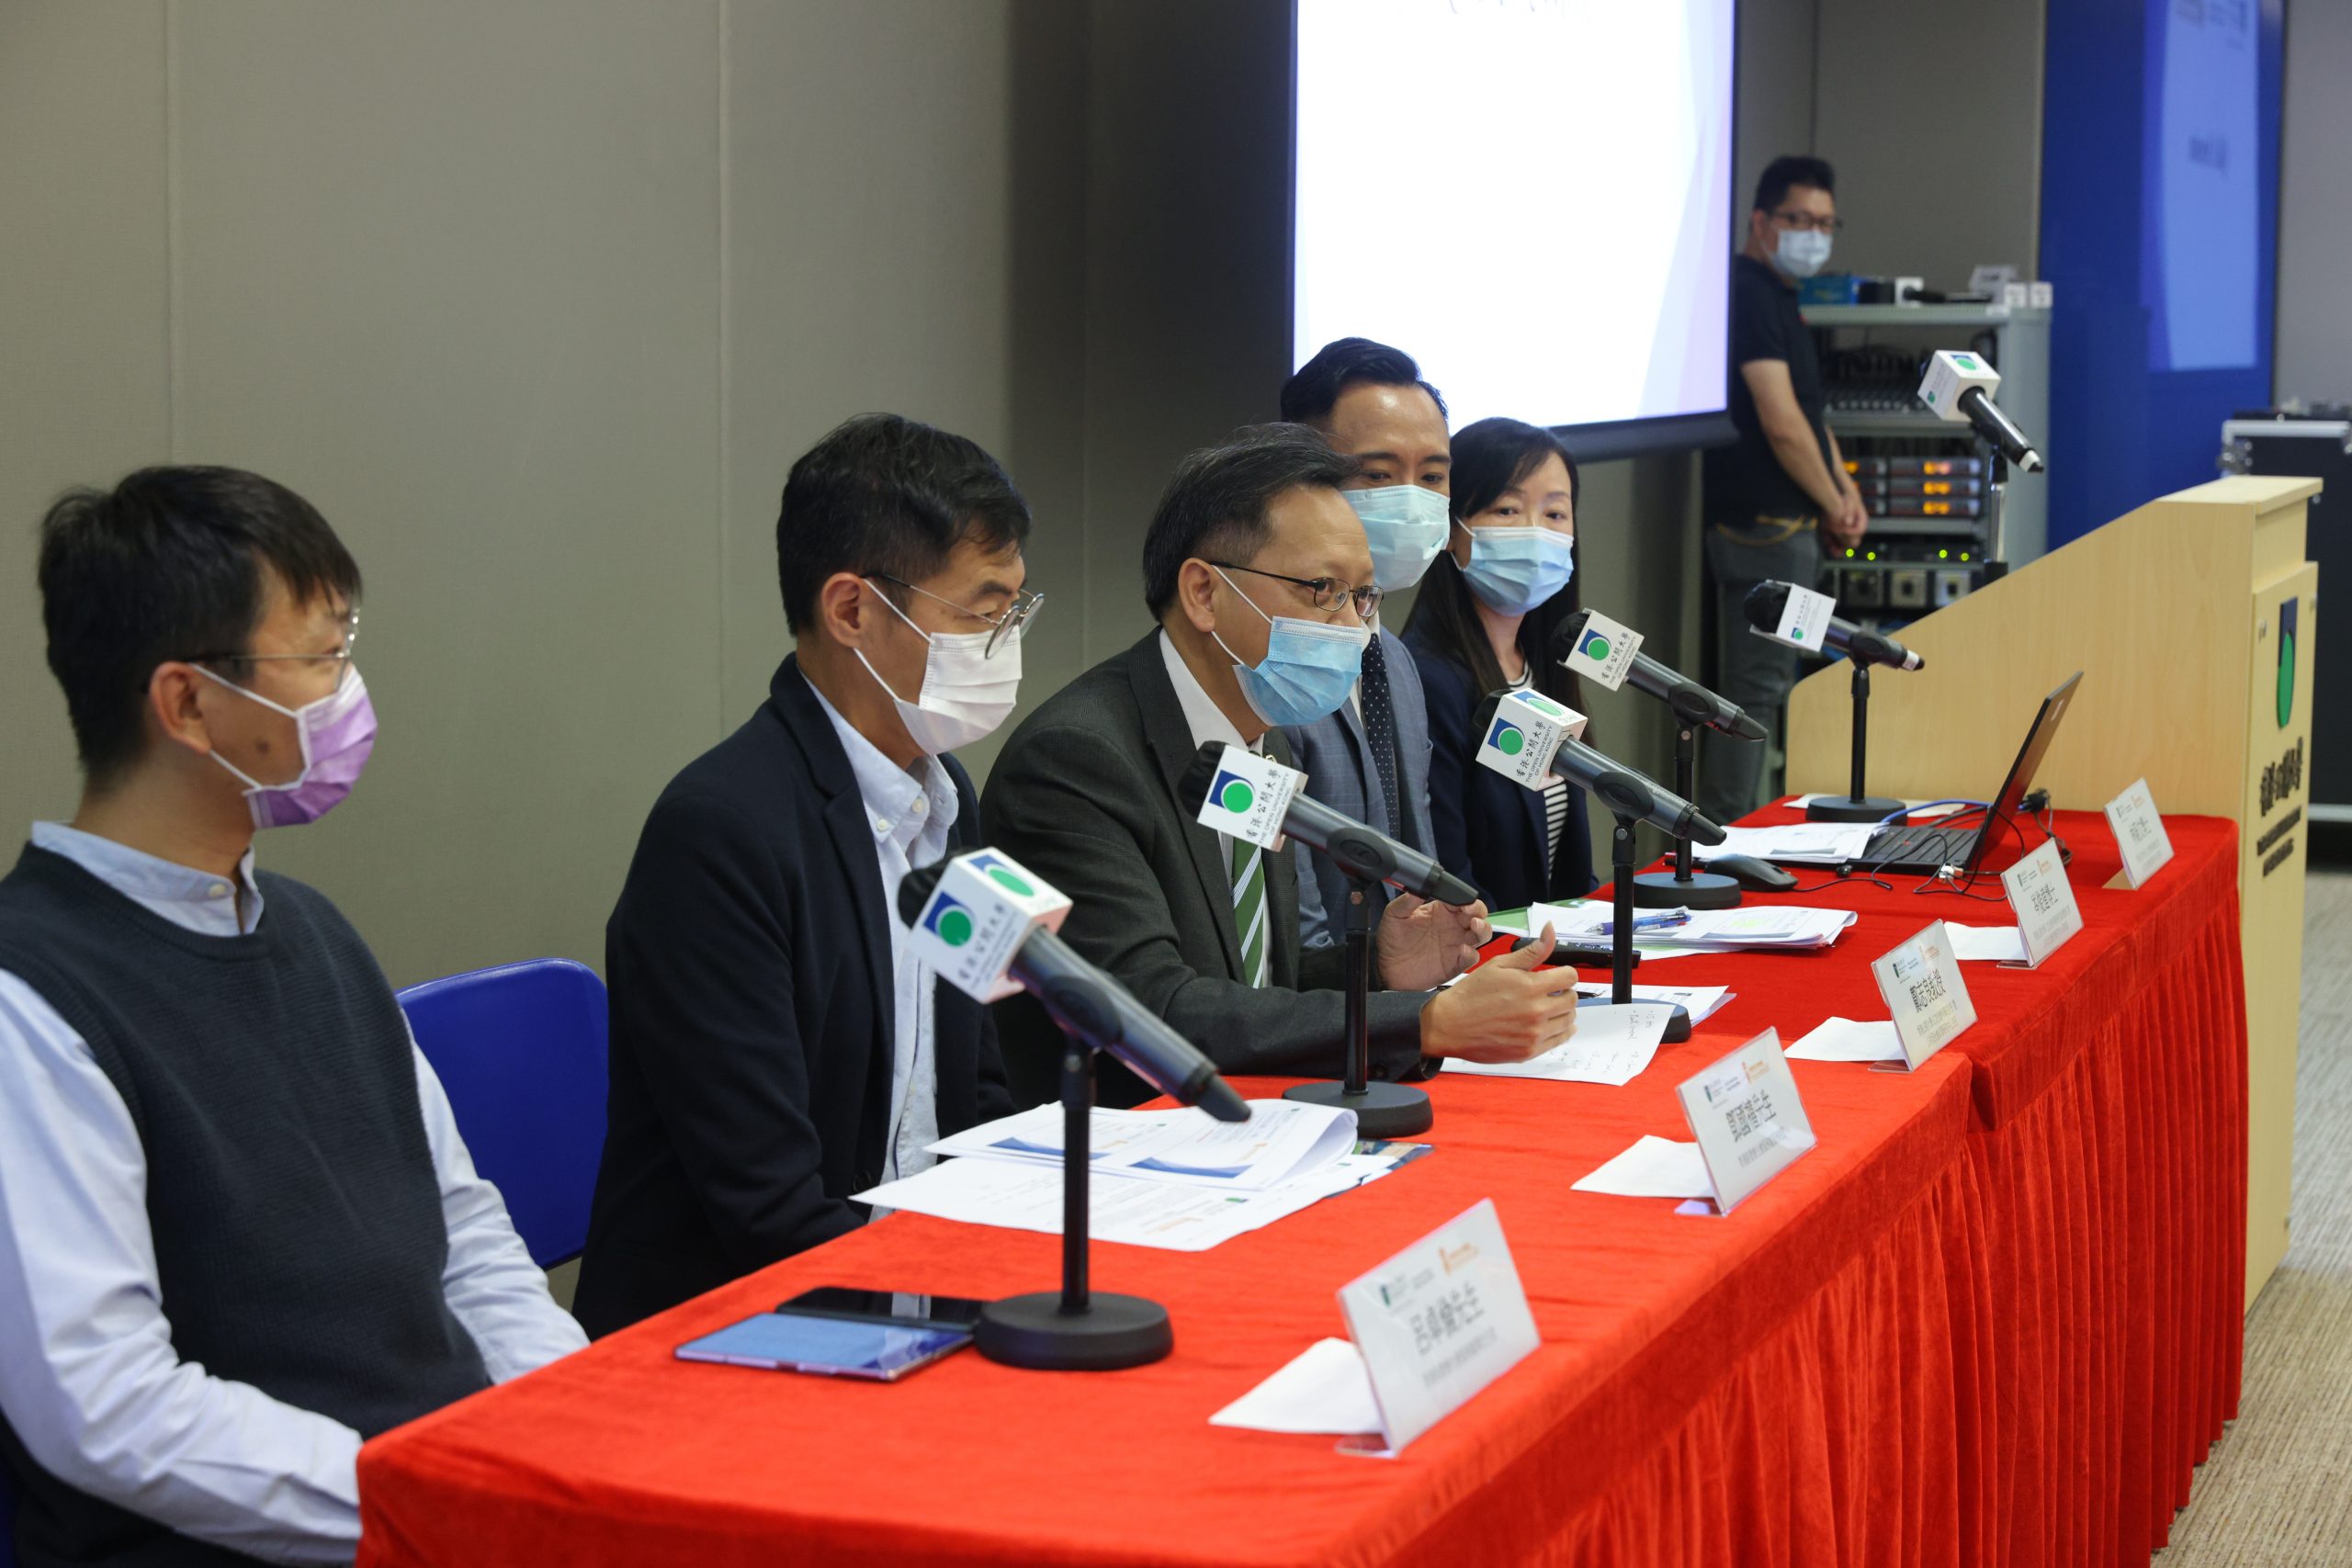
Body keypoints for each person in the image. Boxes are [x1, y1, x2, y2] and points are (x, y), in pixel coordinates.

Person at [0, 467, 584, 1566]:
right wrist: (434, 1506)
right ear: (185, 702)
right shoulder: (29, 998)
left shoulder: (313, 931)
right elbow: (109, 1409)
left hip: (450, 1497)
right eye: (318, 659)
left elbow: (464, 1236)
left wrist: (565, 1441)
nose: (348, 692)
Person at [574, 414, 1029, 1337]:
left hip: (911, 1282)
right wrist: (959, 1295)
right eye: (982, 613)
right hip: (748, 1322)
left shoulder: (949, 802)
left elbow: (978, 1093)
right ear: (853, 610)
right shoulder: (723, 832)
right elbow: (763, 1208)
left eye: (1015, 610)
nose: (1004, 641)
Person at [982, 423, 1578, 1108]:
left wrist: (1380, 971)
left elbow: (1256, 980)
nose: (1354, 627)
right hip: (1114, 1152)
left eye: (1362, 597)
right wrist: (1426, 1021)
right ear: (1204, 592)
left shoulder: (1269, 738)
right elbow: (1158, 1005)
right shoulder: (1078, 759)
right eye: (1322, 589)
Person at [1696, 154, 1870, 824]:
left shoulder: (1782, 299)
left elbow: (1811, 414)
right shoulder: (1745, 290)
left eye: (1826, 223)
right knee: (1755, 693)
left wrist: (1843, 490)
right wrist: (1833, 499)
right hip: (1761, 530)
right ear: (1761, 221)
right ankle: (1724, 837)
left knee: (1772, 692)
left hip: (1794, 527)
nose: (1814, 235)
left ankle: (1750, 827)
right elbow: (1780, 418)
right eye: (1800, 219)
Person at [1276, 338, 1449, 947]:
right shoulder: (1274, 658)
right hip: (1332, 1009)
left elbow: (1415, 850)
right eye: (1378, 474)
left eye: (1432, 476)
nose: (1411, 500)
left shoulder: (1394, 658)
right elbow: (1293, 928)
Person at [1404, 418, 1597, 911]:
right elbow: (1451, 882)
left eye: (1555, 514)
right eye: (1507, 509)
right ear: (1452, 528)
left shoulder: (1542, 665)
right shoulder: (1429, 679)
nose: (1535, 532)